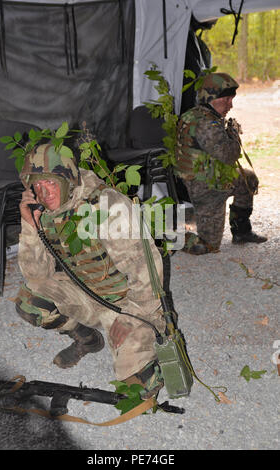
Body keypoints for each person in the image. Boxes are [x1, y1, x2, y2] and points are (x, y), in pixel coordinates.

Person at [15, 143, 166, 398]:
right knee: (31, 301)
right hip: (87, 295)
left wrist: (131, 317)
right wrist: (30, 226)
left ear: (68, 179)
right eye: (37, 186)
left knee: (139, 389)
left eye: (50, 183)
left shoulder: (106, 206)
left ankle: (144, 348)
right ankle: (87, 339)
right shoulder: (46, 212)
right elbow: (37, 276)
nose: (45, 193)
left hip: (127, 305)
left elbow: (147, 272)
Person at [175, 72, 267, 255]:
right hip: (204, 186)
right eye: (226, 100)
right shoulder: (205, 123)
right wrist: (233, 135)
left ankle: (241, 231)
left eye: (231, 99)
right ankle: (171, 237)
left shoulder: (200, 115)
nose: (230, 105)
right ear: (210, 98)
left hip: (208, 177)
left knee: (247, 179)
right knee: (208, 246)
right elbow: (228, 156)